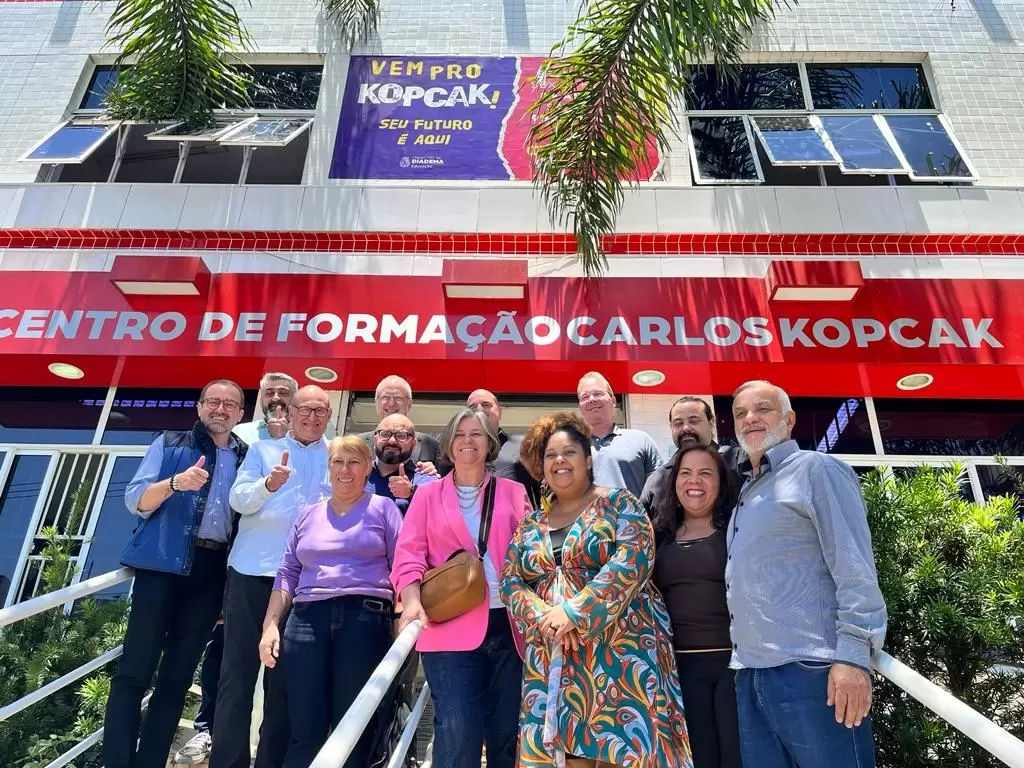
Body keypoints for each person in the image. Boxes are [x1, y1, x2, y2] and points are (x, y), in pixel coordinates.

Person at [500, 411, 691, 768]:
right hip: (556, 650)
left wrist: (575, 612)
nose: (560, 460)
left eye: (569, 452)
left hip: (619, 649)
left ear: (588, 460)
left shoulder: (619, 503)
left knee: (623, 751)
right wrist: (545, 617)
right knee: (570, 753)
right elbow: (511, 580)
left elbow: (633, 559)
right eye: (550, 455)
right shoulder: (531, 524)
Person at [727, 380, 887, 768]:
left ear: (789, 419)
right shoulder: (747, 491)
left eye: (762, 409)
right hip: (751, 675)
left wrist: (853, 657)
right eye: (740, 413)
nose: (750, 418)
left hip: (813, 674)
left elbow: (854, 566)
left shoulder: (817, 470)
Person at [104, 380, 248, 768]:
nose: (220, 409)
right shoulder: (169, 442)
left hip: (212, 573)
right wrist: (174, 483)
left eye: (229, 404)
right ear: (199, 407)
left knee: (177, 678)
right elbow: (135, 501)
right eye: (213, 401)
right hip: (162, 566)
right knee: (134, 671)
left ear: (240, 414)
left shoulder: (247, 457)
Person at [391, 408, 531, 768]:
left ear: (490, 443)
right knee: (458, 736)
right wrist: (411, 602)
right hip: (449, 626)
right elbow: (408, 554)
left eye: (477, 434)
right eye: (460, 434)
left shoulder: (514, 492)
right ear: (448, 444)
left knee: (506, 737)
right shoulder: (427, 495)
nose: (468, 441)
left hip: (509, 627)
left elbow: (533, 556)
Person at [175, 372, 298, 766]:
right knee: (232, 667)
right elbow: (234, 498)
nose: (277, 398)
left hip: (295, 575)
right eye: (269, 392)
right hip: (242, 564)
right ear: (257, 400)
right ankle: (218, 744)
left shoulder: (316, 443)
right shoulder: (242, 436)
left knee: (282, 676)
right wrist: (269, 482)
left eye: (284, 393)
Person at [257, 437, 403, 768]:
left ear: (367, 469)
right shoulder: (308, 515)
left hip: (364, 620)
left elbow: (401, 566)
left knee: (353, 729)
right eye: (338, 461)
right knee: (303, 729)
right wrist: (270, 625)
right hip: (306, 621)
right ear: (329, 468)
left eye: (354, 462)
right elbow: (287, 573)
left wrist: (400, 619)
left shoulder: (384, 509)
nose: (345, 469)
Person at [210, 386, 333, 768]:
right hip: (253, 571)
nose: (312, 417)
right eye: (305, 409)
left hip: (304, 582)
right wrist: (268, 485)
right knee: (237, 676)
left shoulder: (336, 456)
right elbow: (237, 500)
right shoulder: (263, 451)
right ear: (290, 412)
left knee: (284, 684)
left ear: (329, 416)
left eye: (320, 411)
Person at [652, 444, 742, 768]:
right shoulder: (657, 534)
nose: (695, 481)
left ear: (721, 482)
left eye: (706, 473)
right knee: (698, 759)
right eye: (686, 473)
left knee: (735, 757)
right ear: (674, 482)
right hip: (681, 668)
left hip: (734, 665)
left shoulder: (736, 529)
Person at [640, 396, 740, 514]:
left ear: (711, 422)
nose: (686, 428)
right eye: (678, 423)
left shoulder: (737, 463)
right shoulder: (657, 480)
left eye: (694, 421)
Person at [576, 371, 662, 497]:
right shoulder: (573, 447)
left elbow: (660, 490)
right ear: (580, 407)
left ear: (613, 401)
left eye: (598, 394)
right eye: (585, 397)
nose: (592, 399)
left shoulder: (641, 440)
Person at [464, 388, 541, 508]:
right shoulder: (456, 450)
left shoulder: (525, 445)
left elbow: (544, 495)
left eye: (486, 405)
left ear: (499, 412)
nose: (479, 410)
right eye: (473, 407)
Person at [359, 375, 441, 465]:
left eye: (398, 398)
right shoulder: (358, 443)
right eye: (385, 397)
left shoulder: (432, 447)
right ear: (376, 402)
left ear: (409, 404)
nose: (391, 403)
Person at [366, 413, 439, 515]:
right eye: (385, 434)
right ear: (375, 440)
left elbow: (439, 516)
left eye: (401, 436)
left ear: (413, 444)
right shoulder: (357, 474)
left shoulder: (428, 481)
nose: (392, 441)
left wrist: (412, 493)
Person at [233, 372, 298, 444]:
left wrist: (286, 436)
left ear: (295, 399)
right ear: (261, 400)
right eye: (269, 393)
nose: (275, 398)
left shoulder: (306, 435)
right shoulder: (240, 433)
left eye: (283, 393)